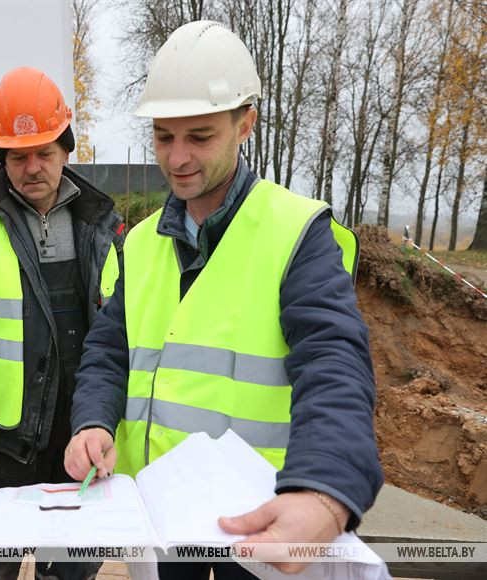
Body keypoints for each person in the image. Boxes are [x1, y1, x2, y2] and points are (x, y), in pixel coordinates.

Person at [64, 21, 383, 579]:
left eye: (200, 136)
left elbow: (334, 361)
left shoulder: (295, 232)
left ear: (245, 125)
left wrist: (325, 490)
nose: (178, 158)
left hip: (259, 517)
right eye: (164, 136)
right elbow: (109, 350)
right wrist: (92, 423)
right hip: (161, 513)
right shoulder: (139, 244)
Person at [0, 66, 123, 580]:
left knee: (73, 565)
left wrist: (102, 418)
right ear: (0, 156)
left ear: (67, 149)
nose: (32, 167)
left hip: (78, 433)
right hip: (2, 438)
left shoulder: (102, 222)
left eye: (45, 153)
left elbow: (118, 329)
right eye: (17, 155)